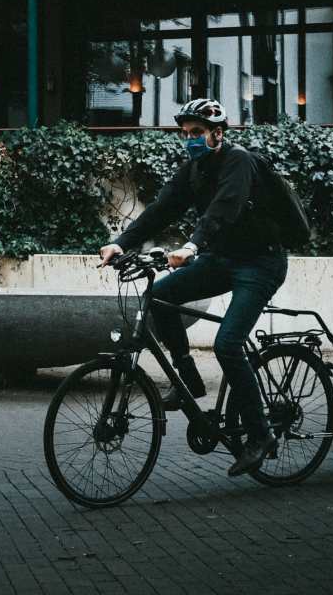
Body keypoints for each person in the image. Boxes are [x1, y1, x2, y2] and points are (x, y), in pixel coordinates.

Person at [99, 98, 287, 477]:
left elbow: (225, 208)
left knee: (228, 344)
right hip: (222, 259)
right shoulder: (194, 170)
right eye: (186, 134)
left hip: (260, 263)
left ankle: (260, 434)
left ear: (218, 133)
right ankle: (189, 378)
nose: (190, 141)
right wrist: (122, 242)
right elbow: (161, 209)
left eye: (197, 133)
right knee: (162, 296)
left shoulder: (240, 162)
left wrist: (191, 246)